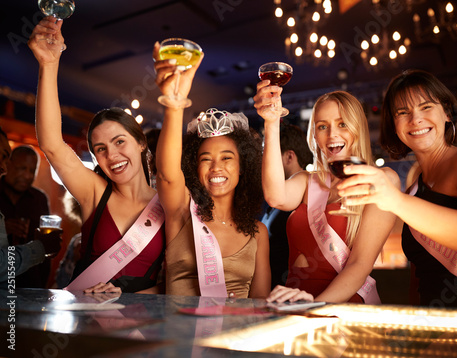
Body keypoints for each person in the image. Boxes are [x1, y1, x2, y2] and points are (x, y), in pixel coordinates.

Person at [341, 69, 457, 308]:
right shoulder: (414, 191)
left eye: (426, 107)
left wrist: (395, 200)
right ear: (394, 125)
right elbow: (419, 276)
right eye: (403, 112)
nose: (415, 120)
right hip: (437, 333)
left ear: (446, 113)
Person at [28, 17, 165, 294]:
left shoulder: (169, 202)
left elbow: (175, 280)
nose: (111, 154)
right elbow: (52, 144)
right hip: (88, 323)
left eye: (119, 141)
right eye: (100, 149)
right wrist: (49, 63)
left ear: (141, 144)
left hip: (146, 327)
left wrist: (131, 296)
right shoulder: (94, 191)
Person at [254, 82, 400, 304]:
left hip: (341, 306)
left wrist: (316, 305)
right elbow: (275, 197)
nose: (332, 134)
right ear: (315, 135)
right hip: (294, 302)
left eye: (342, 124)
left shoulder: (380, 181)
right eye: (322, 126)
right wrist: (271, 123)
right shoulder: (306, 181)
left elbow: (359, 265)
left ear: (358, 128)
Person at [153, 42, 271, 298]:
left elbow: (261, 306)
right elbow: (165, 174)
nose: (216, 166)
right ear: (195, 168)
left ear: (243, 168)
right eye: (206, 158)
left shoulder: (258, 233)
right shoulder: (182, 213)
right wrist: (174, 105)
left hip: (236, 337)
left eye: (227, 157)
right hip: (182, 336)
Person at [0, 127, 61, 284]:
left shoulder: (39, 198)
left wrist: (41, 286)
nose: (27, 176)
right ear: (8, 164)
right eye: (22, 168)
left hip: (29, 283)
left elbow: (46, 251)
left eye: (32, 171)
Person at [261, 123, 313, 287]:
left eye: (269, 155)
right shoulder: (274, 196)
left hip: (289, 290)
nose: (264, 161)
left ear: (289, 157)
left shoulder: (306, 194)